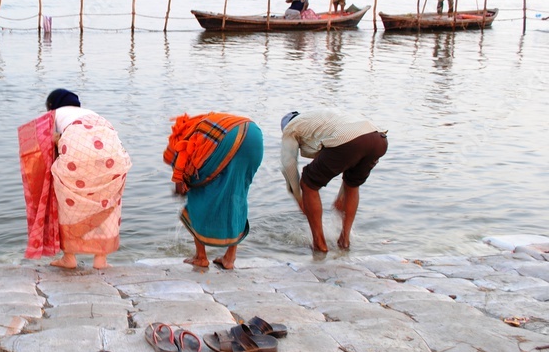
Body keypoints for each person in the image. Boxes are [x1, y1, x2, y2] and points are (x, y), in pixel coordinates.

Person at [21, 89, 132, 270]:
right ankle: (100, 260)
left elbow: (39, 143)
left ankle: (69, 258)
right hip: (114, 159)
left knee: (66, 205)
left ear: (52, 106)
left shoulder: (52, 116)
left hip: (77, 157)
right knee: (106, 203)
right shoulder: (91, 114)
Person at [280, 109, 388, 254]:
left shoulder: (290, 127)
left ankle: (319, 244)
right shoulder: (319, 120)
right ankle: (344, 240)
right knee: (352, 184)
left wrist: (299, 199)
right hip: (378, 139)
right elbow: (348, 157)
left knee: (308, 183)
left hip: (352, 140)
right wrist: (341, 196)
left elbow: (288, 165)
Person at [164, 113, 263, 270]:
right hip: (253, 133)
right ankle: (229, 258)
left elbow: (182, 173)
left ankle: (201, 257)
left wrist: (181, 185)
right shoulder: (201, 124)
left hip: (227, 139)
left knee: (196, 193)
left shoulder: (179, 142)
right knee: (237, 194)